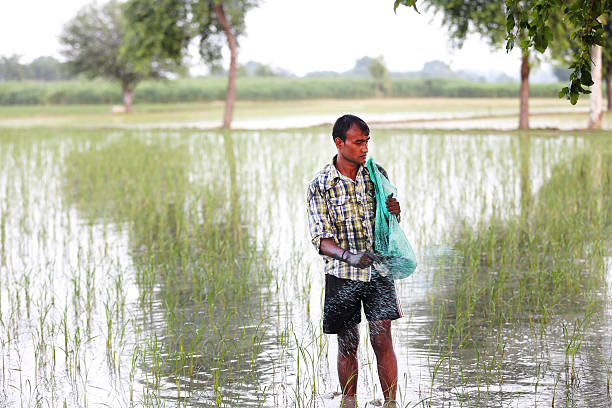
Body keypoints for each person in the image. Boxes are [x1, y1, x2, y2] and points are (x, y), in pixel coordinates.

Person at [306, 114, 402, 408]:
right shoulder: (321, 184)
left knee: (382, 339)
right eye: (358, 142)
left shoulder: (376, 174)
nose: (365, 149)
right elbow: (320, 239)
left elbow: (390, 225)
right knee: (347, 344)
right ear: (339, 143)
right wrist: (349, 256)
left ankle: (391, 403)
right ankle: (349, 402)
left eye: (367, 142)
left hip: (377, 272)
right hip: (341, 275)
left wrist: (395, 212)